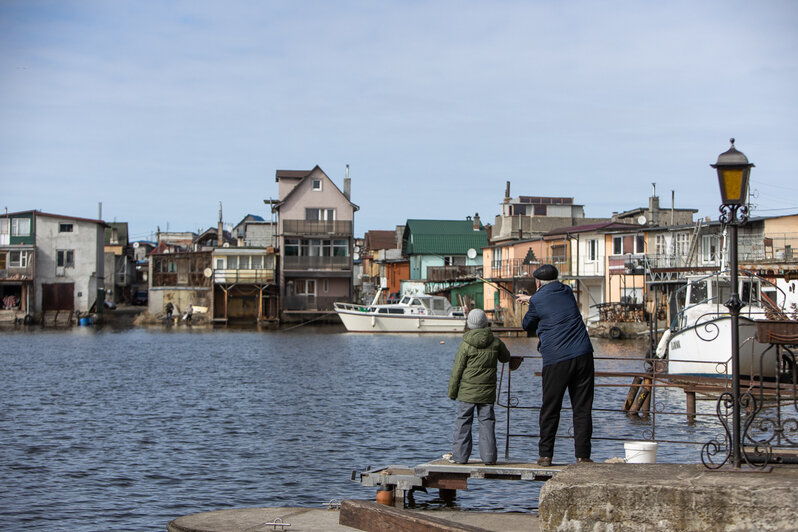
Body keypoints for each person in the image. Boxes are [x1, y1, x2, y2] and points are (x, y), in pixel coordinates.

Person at [516, 264, 594, 466]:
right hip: (584, 354)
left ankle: (545, 456)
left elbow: (527, 325)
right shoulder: (566, 291)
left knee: (551, 408)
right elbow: (550, 299)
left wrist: (529, 302)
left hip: (557, 359)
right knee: (582, 408)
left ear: (538, 282)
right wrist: (531, 299)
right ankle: (583, 457)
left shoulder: (538, 299)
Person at [446, 308, 512, 465]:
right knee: (487, 422)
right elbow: (506, 358)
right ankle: (489, 457)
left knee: (463, 423)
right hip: (487, 393)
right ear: (485, 323)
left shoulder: (465, 344)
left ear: (469, 324)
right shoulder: (495, 342)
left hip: (467, 393)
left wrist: (452, 392)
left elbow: (457, 371)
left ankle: (460, 457)